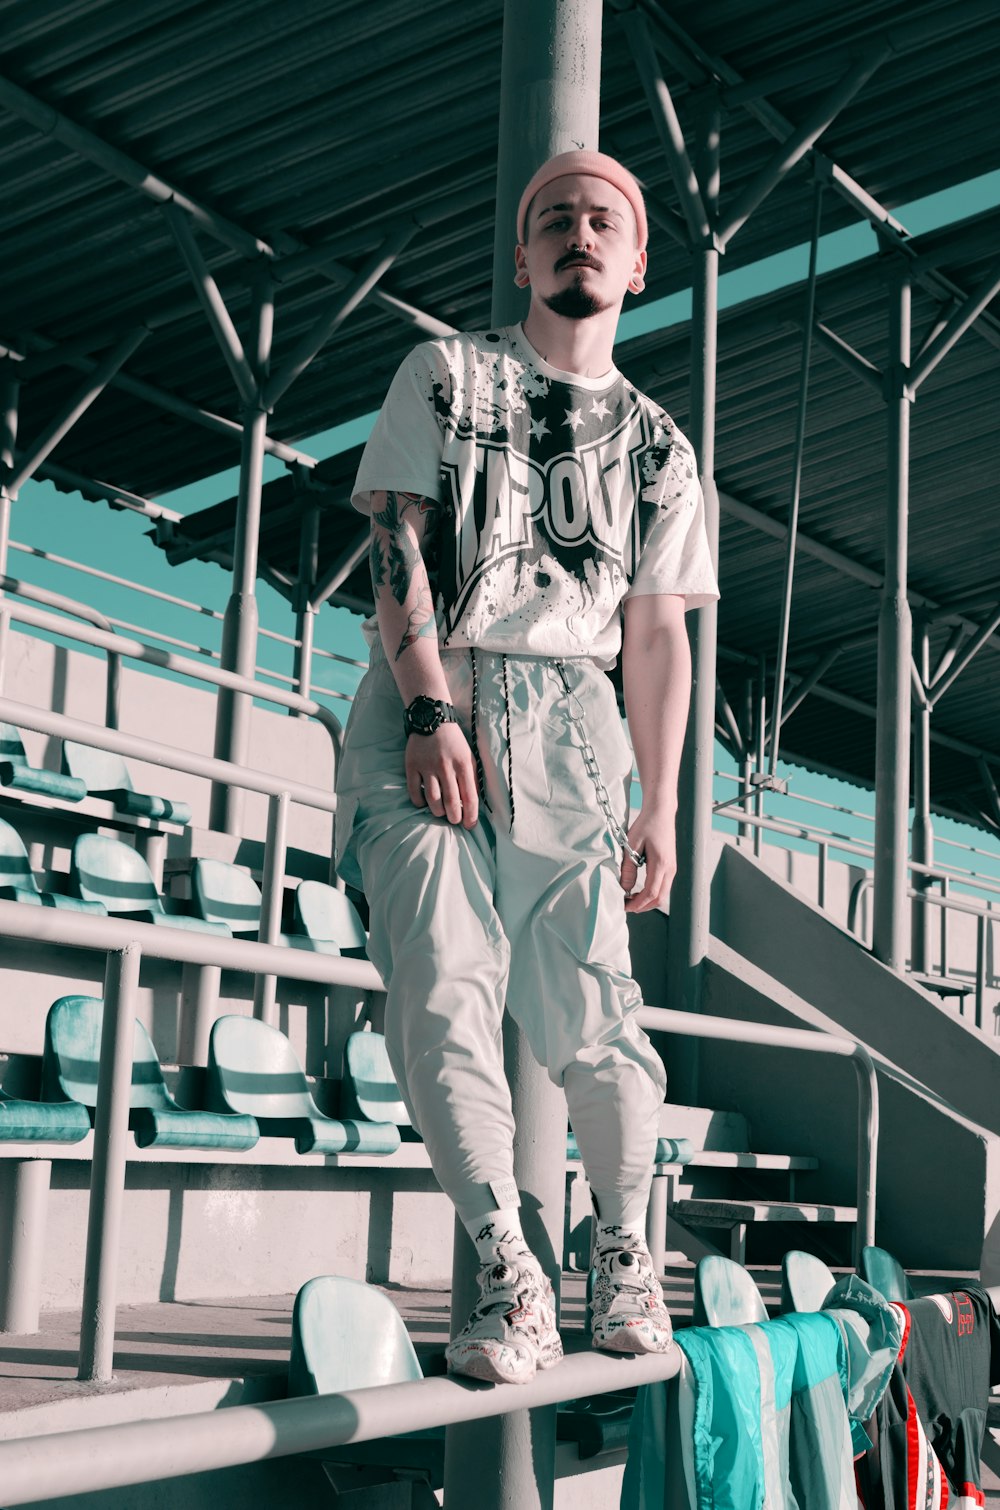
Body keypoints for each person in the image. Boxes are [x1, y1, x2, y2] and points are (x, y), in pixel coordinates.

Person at [334, 150, 719, 1386]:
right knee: (442, 985)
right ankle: (509, 1269)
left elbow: (658, 633)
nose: (578, 234)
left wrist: (664, 799)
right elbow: (394, 536)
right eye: (552, 219)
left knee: (595, 1010)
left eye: (603, 220)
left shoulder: (660, 447)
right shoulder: (446, 374)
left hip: (571, 718)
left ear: (639, 261)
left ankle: (621, 1252)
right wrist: (428, 708)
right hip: (428, 691)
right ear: (521, 255)